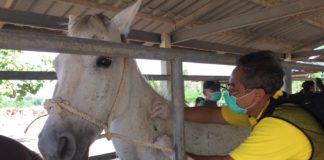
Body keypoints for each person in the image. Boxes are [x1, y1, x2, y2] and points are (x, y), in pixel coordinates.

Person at [153, 50, 324, 159]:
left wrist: (176, 154)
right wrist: (173, 112)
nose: (228, 95)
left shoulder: (278, 127)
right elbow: (214, 114)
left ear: (256, 94)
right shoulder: (265, 105)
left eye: (233, 90)